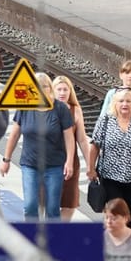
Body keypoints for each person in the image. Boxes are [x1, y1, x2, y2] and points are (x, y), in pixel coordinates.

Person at [0, 72, 75, 220]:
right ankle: (31, 238)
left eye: (45, 86)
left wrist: (69, 161)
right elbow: (14, 134)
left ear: (50, 88)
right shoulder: (25, 107)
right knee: (30, 205)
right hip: (30, 164)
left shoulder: (60, 109)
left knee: (53, 208)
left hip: (54, 165)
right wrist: (6, 160)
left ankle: (52, 239)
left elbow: (69, 137)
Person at [89, 87, 131, 229]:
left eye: (128, 101)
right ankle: (113, 247)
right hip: (110, 177)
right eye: (121, 101)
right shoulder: (105, 121)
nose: (125, 104)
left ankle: (128, 247)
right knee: (115, 215)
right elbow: (95, 146)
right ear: (115, 103)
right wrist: (91, 169)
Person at [52, 76, 92, 220]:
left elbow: (81, 139)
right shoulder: (46, 108)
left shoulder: (75, 110)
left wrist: (90, 164)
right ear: (53, 91)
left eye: (65, 89)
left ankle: (59, 233)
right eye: (59, 89)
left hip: (71, 164)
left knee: (70, 204)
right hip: (50, 163)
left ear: (70, 92)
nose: (62, 93)